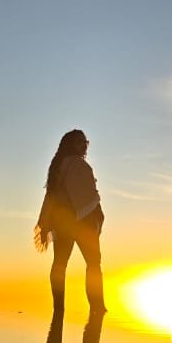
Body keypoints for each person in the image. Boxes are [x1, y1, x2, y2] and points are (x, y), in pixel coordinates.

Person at [34, 129, 106, 322]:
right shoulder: (76, 165)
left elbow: (51, 197)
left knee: (59, 265)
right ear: (70, 145)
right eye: (79, 142)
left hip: (63, 223)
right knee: (92, 264)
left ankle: (59, 309)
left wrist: (47, 222)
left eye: (86, 142)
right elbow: (88, 196)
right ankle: (97, 307)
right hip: (82, 223)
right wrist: (97, 216)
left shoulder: (58, 166)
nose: (84, 146)